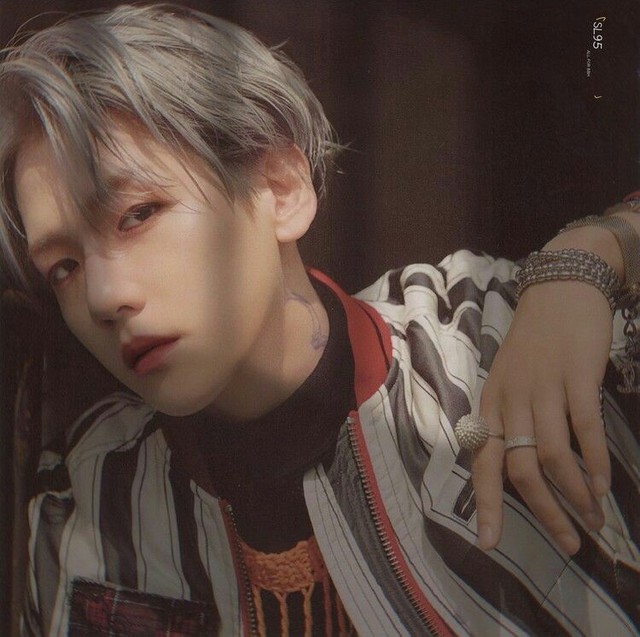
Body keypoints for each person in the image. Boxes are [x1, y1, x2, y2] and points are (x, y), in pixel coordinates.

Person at [0, 4, 637, 636]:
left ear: (280, 189)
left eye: (138, 214)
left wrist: (597, 252)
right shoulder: (88, 497)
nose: (104, 297)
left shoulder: (485, 340)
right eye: (64, 267)